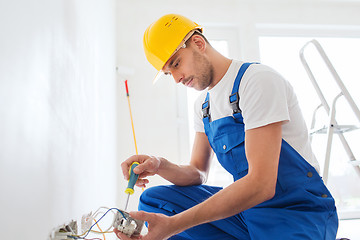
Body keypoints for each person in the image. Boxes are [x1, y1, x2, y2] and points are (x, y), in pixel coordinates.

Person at [114, 14, 338, 240]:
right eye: (168, 73)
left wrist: (174, 225)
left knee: (174, 223)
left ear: (198, 43)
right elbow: (198, 172)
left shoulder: (257, 81)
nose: (176, 78)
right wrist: (160, 165)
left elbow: (261, 185)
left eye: (176, 63)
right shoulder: (203, 107)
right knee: (153, 200)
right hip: (248, 212)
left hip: (294, 211)